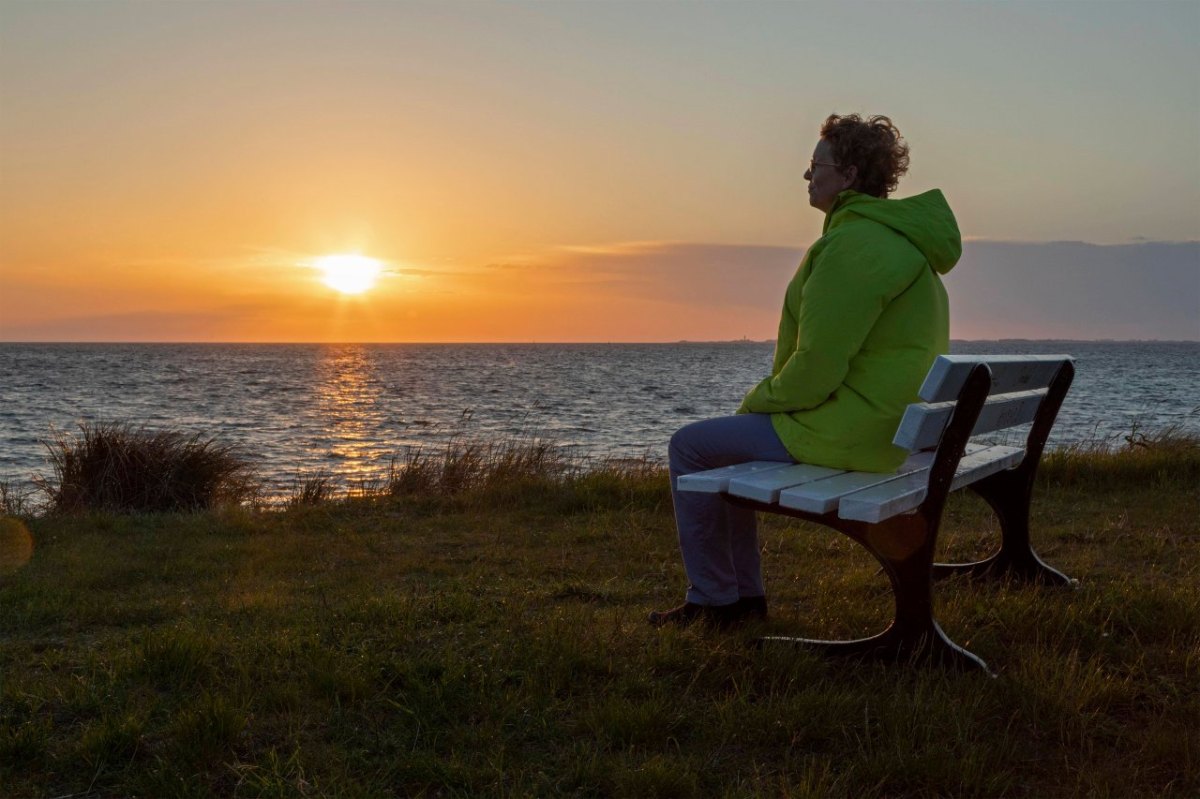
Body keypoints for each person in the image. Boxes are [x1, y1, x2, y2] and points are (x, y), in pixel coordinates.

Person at [650, 113, 961, 628]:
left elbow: (817, 369)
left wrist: (757, 401)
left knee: (692, 446)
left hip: (856, 430)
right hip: (891, 424)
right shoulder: (904, 246)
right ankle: (736, 600)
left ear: (850, 174)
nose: (807, 176)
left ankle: (719, 603)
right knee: (719, 445)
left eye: (816, 165)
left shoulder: (852, 247)